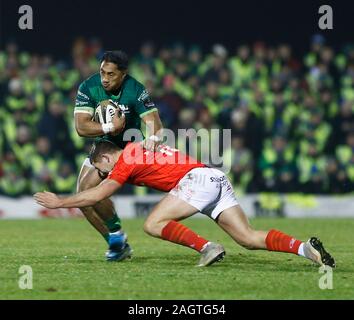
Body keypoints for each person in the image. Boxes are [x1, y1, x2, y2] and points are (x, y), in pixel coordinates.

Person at [34, 140, 336, 268]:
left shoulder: (124, 159)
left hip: (197, 181)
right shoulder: (137, 150)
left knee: (152, 224)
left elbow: (98, 195)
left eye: (101, 170)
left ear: (105, 157)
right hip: (214, 177)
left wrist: (60, 202)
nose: (103, 175)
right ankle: (304, 249)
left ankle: (207, 247)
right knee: (248, 238)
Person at [74, 50, 163, 261]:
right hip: (103, 147)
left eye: (111, 74)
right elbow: (81, 127)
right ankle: (116, 241)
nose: (104, 79)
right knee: (83, 200)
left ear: (123, 74)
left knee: (86, 192)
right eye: (102, 72)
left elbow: (154, 124)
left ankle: (116, 236)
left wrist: (154, 138)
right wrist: (108, 126)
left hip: (129, 149)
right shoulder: (89, 87)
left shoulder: (135, 90)